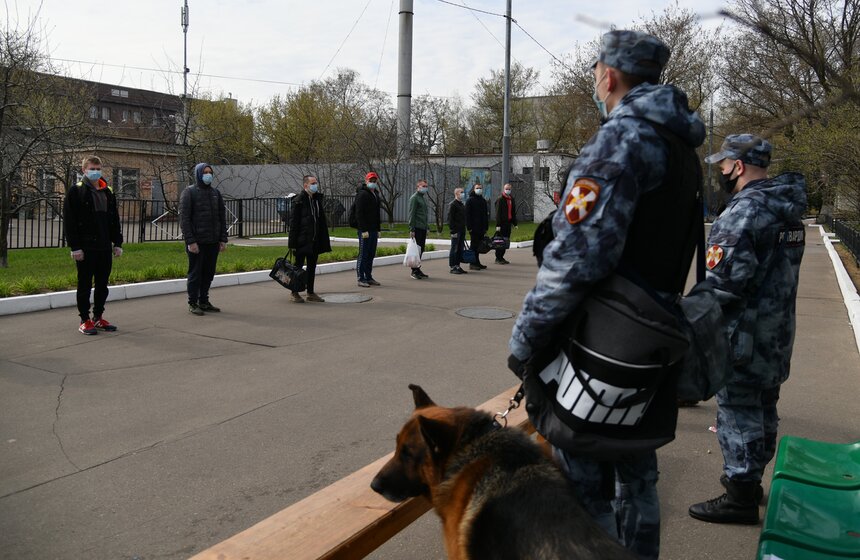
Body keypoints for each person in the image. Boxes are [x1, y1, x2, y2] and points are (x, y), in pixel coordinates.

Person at [507, 30, 706, 559]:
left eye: (596, 72)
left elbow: (576, 258)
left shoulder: (623, 139)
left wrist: (525, 339)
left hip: (603, 345)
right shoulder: (682, 146)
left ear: (609, 75)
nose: (596, 81)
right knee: (638, 476)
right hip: (654, 335)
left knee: (582, 486)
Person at [688, 135, 806, 525]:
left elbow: (724, 283)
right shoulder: (787, 209)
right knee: (764, 405)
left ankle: (739, 494)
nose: (721, 171)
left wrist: (684, 313)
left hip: (742, 335)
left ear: (738, 166)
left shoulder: (744, 212)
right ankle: (750, 480)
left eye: (723, 165)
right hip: (776, 332)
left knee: (738, 410)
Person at [64, 155, 123, 335]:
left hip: (104, 246)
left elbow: (114, 220)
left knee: (102, 285)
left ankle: (98, 317)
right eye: (92, 169)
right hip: (86, 248)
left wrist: (117, 242)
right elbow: (70, 222)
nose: (96, 172)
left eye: (98, 169)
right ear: (84, 170)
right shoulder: (76, 191)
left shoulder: (107, 191)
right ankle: (85, 319)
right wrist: (75, 247)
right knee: (84, 284)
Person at [179, 163, 227, 315]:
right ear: (198, 174)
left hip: (213, 241)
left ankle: (204, 300)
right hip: (197, 242)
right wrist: (190, 241)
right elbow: (184, 219)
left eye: (210, 172)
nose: (208, 175)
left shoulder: (215, 193)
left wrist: (222, 239)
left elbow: (221, 217)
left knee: (208, 273)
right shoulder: (189, 192)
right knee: (195, 273)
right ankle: (193, 302)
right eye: (205, 172)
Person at [288, 175, 332, 303]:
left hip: (314, 241)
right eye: (313, 183)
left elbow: (320, 221)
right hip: (302, 240)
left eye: (316, 183)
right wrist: (292, 243)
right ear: (305, 185)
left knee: (312, 267)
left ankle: (310, 292)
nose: (315, 185)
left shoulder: (317, 199)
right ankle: (294, 292)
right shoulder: (299, 200)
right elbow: (294, 223)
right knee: (298, 267)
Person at [355, 171, 382, 287]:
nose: (373, 182)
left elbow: (377, 214)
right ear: (366, 181)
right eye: (370, 180)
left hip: (373, 229)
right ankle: (361, 277)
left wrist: (378, 229)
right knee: (363, 254)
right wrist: (363, 229)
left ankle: (368, 276)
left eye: (374, 181)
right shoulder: (362, 194)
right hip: (365, 230)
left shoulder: (375, 194)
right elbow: (359, 214)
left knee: (371, 253)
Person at [407, 179, 430, 279]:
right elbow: (412, 214)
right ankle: (414, 271)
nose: (425, 188)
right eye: (423, 186)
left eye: (426, 186)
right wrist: (412, 229)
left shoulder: (422, 198)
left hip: (423, 227)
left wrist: (427, 227)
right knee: (416, 250)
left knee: (421, 249)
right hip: (417, 227)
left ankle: (417, 268)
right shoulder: (415, 198)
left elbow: (424, 215)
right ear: (418, 187)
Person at [465, 182, 488, 271]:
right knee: (474, 246)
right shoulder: (470, 200)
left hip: (481, 228)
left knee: (479, 246)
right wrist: (469, 227)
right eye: (477, 188)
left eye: (480, 188)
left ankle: (477, 262)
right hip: (474, 228)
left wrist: (486, 227)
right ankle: (472, 263)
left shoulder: (482, 200)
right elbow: (467, 215)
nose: (479, 190)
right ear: (474, 189)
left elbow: (485, 215)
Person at [494, 183, 518, 264]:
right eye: (506, 189)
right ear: (504, 189)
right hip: (502, 224)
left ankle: (502, 257)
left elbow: (513, 212)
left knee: (505, 241)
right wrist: (498, 225)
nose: (508, 190)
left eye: (509, 189)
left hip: (508, 223)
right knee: (500, 241)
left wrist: (515, 223)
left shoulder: (511, 199)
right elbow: (497, 213)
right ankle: (498, 258)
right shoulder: (500, 199)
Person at [447, 188, 468, 274]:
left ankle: (458, 265)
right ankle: (453, 266)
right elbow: (450, 219)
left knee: (460, 248)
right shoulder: (453, 204)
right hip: (456, 230)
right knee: (454, 248)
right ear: (456, 194)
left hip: (462, 229)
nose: (463, 194)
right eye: (461, 192)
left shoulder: (461, 204)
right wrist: (453, 230)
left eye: (463, 192)